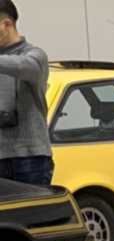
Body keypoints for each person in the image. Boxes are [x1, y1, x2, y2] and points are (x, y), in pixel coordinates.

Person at [0, 1, 52, 186]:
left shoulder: (35, 55)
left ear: (6, 24)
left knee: (34, 206)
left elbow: (25, 67)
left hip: (31, 158)